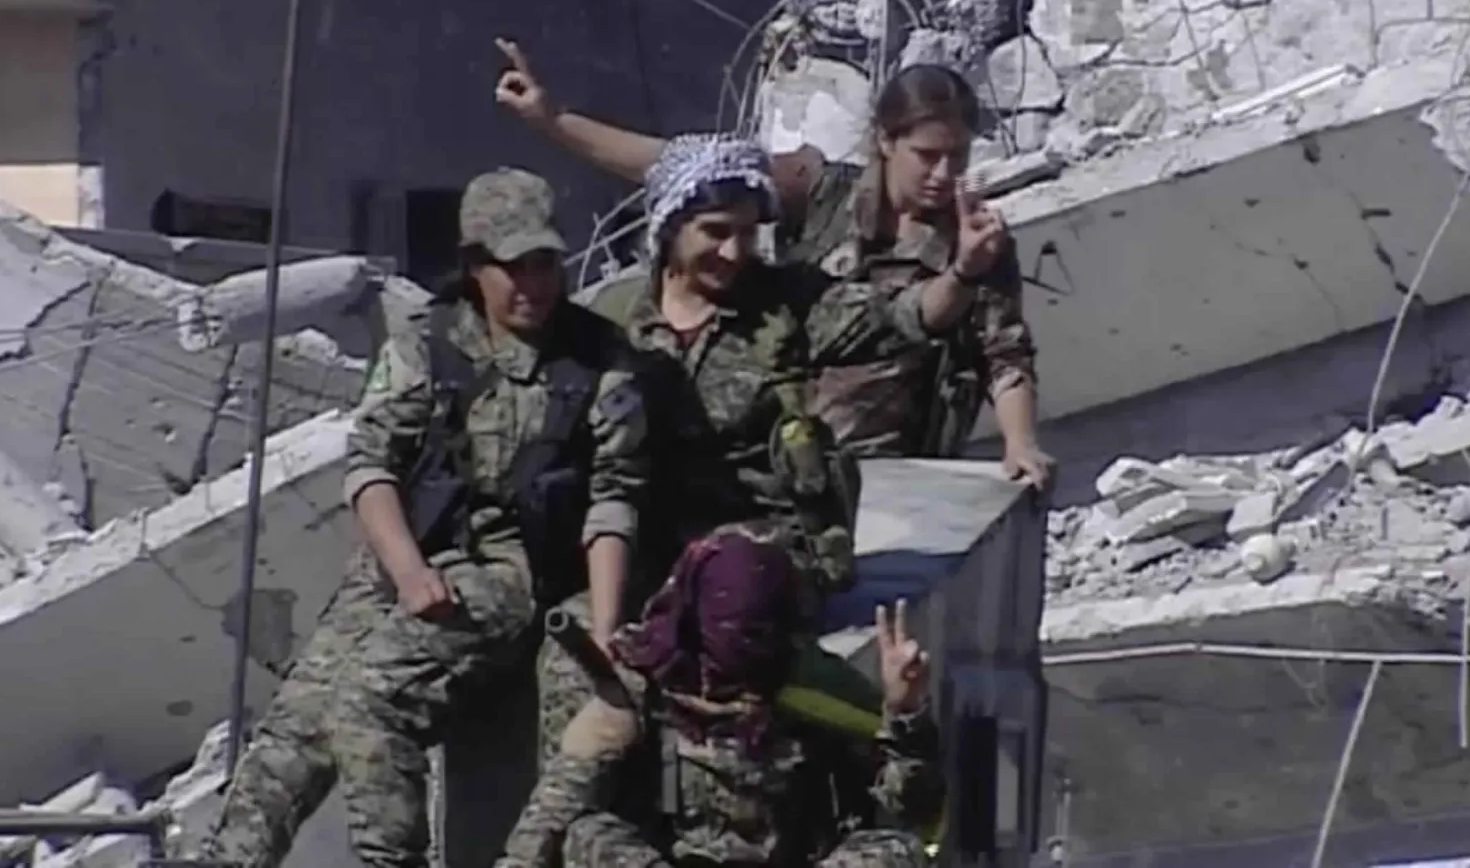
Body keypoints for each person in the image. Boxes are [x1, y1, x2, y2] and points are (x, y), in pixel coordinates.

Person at [523, 130, 1007, 781]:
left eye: (749, 233)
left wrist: (966, 269)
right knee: (569, 652)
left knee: (725, 630)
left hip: (766, 546)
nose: (734, 251)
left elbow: (910, 317)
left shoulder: (789, 302)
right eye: (716, 231)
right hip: (661, 550)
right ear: (670, 227)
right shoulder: (623, 330)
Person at [201, 168, 650, 868]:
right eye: (513, 268)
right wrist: (407, 572)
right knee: (293, 732)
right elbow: (371, 465)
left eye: (545, 265)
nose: (533, 284)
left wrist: (604, 623)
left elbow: (614, 497)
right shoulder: (428, 342)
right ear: (475, 266)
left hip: (510, 568)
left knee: (370, 698)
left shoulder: (598, 358)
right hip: (408, 557)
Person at [493, 38, 1052, 486]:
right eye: (928, 156)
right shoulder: (821, 193)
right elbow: (687, 167)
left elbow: (1004, 354)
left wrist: (1020, 444)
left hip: (896, 465)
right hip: (777, 445)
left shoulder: (975, 241)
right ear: (886, 141)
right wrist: (553, 119)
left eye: (959, 155)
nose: (944, 173)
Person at [497, 528, 941, 868]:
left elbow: (916, 808)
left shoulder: (814, 689)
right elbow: (551, 820)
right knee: (588, 835)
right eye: (730, 631)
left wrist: (905, 713)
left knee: (894, 853)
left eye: (758, 633)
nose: (744, 651)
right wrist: (598, 743)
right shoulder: (640, 681)